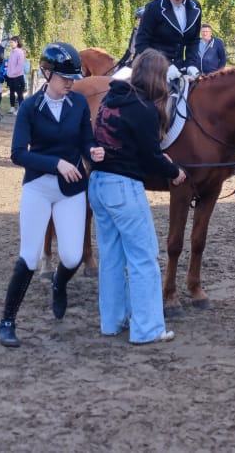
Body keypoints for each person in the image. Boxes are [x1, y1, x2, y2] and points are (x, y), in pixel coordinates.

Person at [0, 43, 95, 347]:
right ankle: (7, 321)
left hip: (71, 190)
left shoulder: (78, 104)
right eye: (65, 77)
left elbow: (86, 142)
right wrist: (56, 164)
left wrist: (95, 151)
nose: (70, 83)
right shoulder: (30, 107)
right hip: (38, 187)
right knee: (28, 256)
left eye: (73, 78)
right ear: (46, 73)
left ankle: (59, 283)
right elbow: (18, 154)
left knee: (73, 256)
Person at [88, 50, 185, 344]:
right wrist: (174, 171)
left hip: (98, 184)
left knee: (111, 258)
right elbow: (150, 157)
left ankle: (112, 321)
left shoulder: (111, 99)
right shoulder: (144, 108)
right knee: (143, 258)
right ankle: (148, 329)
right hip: (123, 187)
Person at [133, 0, 203, 82]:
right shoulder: (153, 8)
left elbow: (193, 40)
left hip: (180, 69)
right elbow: (141, 45)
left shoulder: (195, 7)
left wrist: (191, 63)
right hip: (153, 71)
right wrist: (165, 66)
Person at [5, 36, 28, 113]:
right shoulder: (12, 52)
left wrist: (12, 73)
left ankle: (21, 110)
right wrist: (8, 73)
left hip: (18, 77)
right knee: (11, 92)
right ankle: (12, 108)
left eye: (12, 42)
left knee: (19, 94)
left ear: (17, 42)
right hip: (10, 76)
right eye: (10, 42)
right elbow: (10, 64)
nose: (10, 44)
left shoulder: (20, 52)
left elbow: (20, 66)